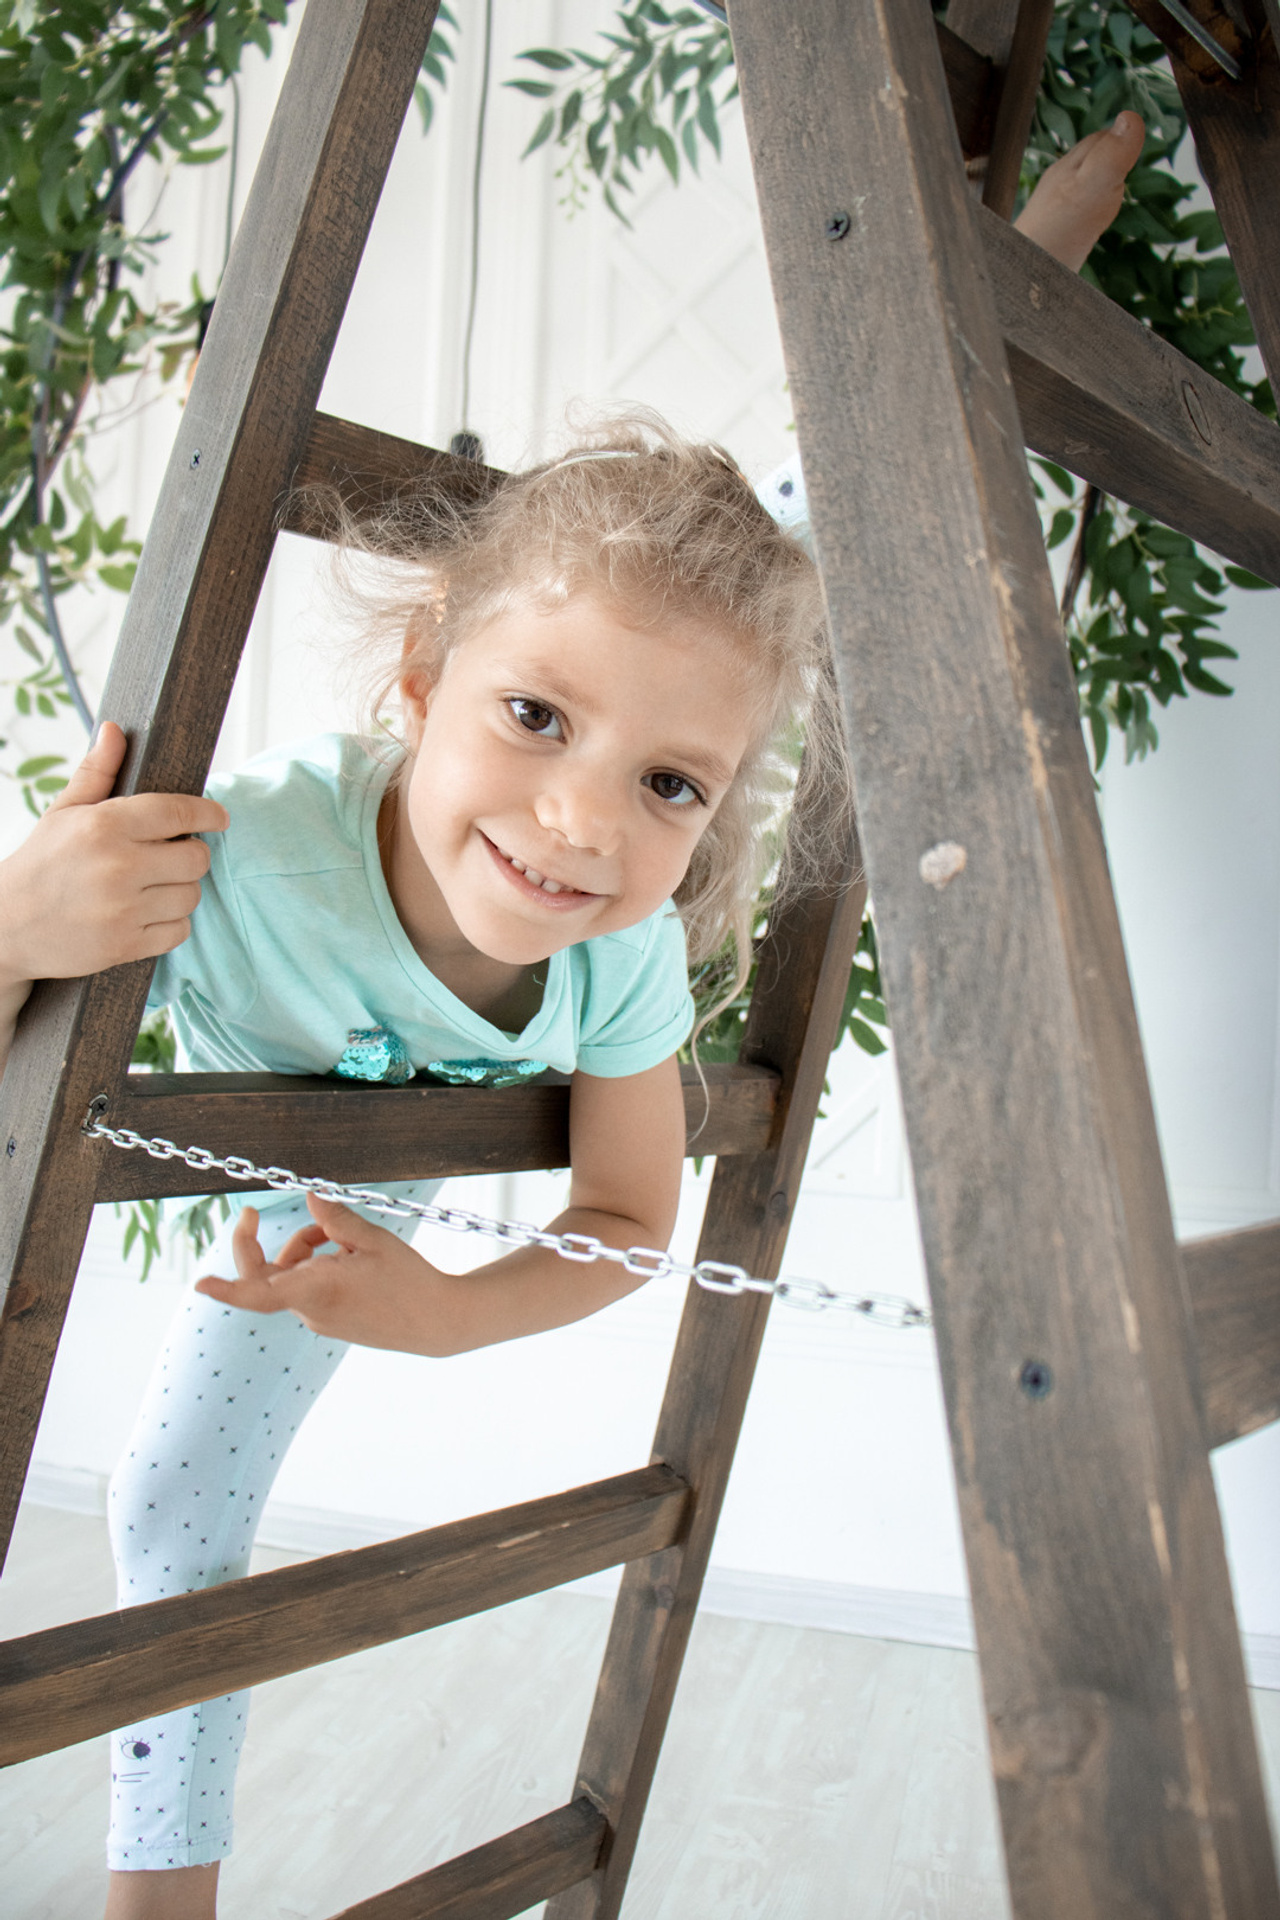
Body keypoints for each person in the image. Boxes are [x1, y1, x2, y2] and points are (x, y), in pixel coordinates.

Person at [0, 113, 1143, 1920]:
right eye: (534, 720)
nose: (588, 823)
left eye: (674, 786)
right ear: (419, 679)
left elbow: (627, 1222)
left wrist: (445, 1316)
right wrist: (20, 922)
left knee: (170, 1510)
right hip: (152, 1061)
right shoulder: (251, 842)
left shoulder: (621, 951)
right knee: (773, 526)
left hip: (335, 1198)